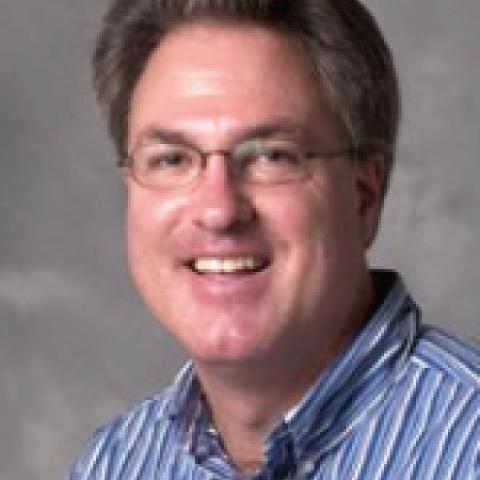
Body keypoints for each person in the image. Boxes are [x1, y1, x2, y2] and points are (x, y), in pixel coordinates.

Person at [68, 1, 480, 478]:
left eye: (271, 157)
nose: (219, 211)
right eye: (172, 160)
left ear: (364, 194)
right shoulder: (118, 463)